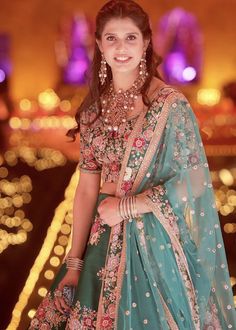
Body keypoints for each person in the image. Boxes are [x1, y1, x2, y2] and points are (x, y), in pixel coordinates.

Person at [29, 1, 236, 329]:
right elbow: (86, 190)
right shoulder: (92, 112)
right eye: (111, 38)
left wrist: (129, 205)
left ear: (146, 43)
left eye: (130, 38)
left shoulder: (169, 106)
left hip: (154, 240)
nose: (121, 48)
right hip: (100, 240)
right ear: (99, 44)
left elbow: (195, 180)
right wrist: (74, 263)